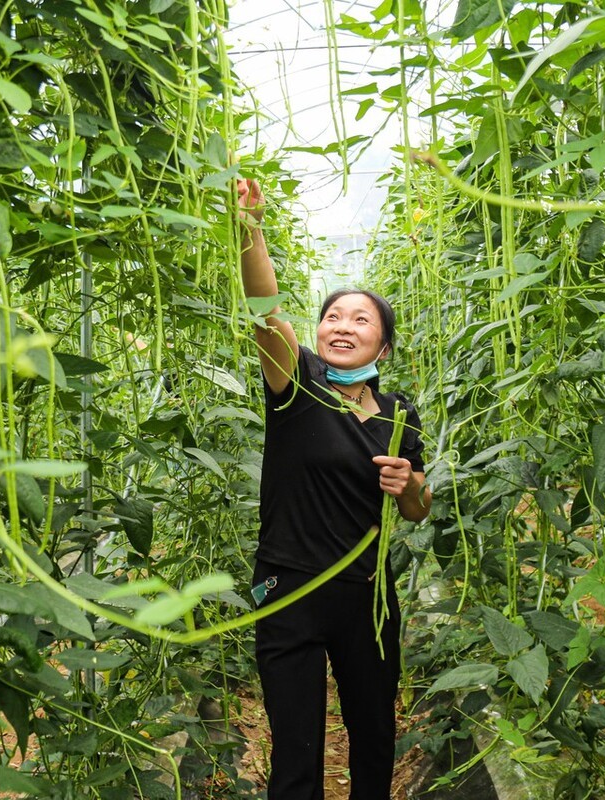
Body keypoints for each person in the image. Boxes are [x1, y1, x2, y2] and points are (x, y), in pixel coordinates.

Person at [236, 177, 432, 800]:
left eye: (360, 319)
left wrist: (407, 487)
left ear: (384, 342)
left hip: (367, 601)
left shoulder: (398, 413)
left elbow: (420, 507)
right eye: (331, 317)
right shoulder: (296, 385)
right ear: (318, 332)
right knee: (296, 755)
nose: (341, 326)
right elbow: (265, 309)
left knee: (373, 742)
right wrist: (249, 228)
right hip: (288, 588)